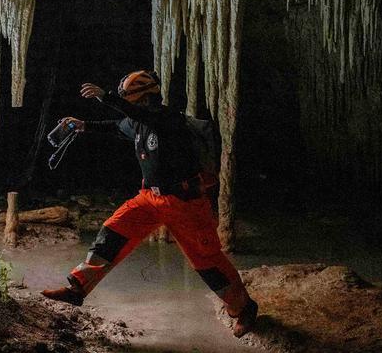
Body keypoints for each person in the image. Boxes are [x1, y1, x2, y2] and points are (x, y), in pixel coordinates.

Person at [40, 70, 259, 338]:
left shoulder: (167, 119)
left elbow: (143, 116)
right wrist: (82, 124)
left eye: (129, 100)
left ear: (144, 99)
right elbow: (116, 126)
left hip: (185, 202)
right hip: (149, 198)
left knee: (207, 261)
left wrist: (106, 97)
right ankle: (77, 289)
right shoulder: (137, 122)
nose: (127, 106)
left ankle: (243, 309)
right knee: (113, 231)